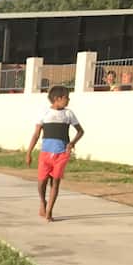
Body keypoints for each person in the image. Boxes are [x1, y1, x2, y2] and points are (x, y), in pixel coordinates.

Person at [24, 85, 84, 222]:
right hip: (46, 153)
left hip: (62, 153)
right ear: (57, 99)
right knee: (41, 182)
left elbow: (80, 131)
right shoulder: (44, 113)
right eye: (66, 98)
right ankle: (42, 201)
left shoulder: (69, 114)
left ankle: (49, 211)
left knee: (55, 182)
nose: (68, 100)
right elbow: (36, 134)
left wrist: (72, 142)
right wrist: (28, 153)